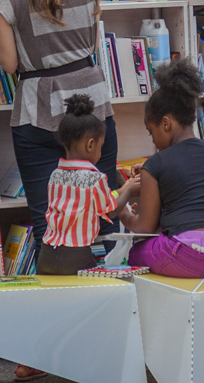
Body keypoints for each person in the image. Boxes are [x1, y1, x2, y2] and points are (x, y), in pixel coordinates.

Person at [0, 0, 119, 254]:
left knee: (50, 222)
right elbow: (92, 45)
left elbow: (9, 62)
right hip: (92, 103)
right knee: (104, 213)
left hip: (38, 108)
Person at [122, 58, 204, 277]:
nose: (153, 141)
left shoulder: (156, 164)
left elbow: (145, 228)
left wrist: (123, 213)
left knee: (136, 253)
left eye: (152, 132)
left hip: (188, 256)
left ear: (166, 123)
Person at [40, 95, 141, 276]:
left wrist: (123, 189)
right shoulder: (95, 178)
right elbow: (109, 210)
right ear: (90, 144)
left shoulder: (55, 175)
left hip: (46, 253)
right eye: (101, 146)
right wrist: (130, 192)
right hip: (75, 256)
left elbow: (94, 200)